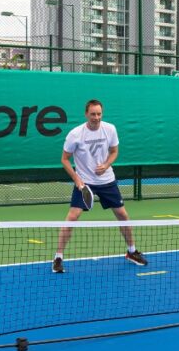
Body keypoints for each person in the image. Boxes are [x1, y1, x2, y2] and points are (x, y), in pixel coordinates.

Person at [52, 99, 147, 273]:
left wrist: (106, 164)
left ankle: (132, 251)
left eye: (99, 114)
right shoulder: (75, 134)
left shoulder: (110, 129)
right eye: (93, 114)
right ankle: (58, 257)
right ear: (86, 114)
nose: (96, 117)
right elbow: (64, 159)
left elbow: (114, 151)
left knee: (122, 215)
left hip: (107, 181)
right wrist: (76, 179)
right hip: (84, 183)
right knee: (72, 217)